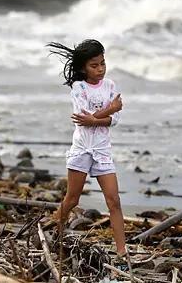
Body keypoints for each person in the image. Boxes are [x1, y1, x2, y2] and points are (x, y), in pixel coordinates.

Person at [46, 39, 128, 262]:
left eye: (102, 63)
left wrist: (100, 117)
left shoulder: (110, 86)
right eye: (94, 65)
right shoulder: (78, 87)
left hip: (102, 151)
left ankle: (122, 251)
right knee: (72, 199)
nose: (100, 69)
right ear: (83, 67)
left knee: (114, 201)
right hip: (82, 149)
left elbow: (115, 120)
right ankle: (53, 235)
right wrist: (108, 110)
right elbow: (83, 119)